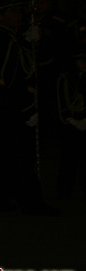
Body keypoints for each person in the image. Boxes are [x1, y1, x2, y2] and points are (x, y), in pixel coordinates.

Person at [0, 0, 57, 215]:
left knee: (13, 157)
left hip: (13, 109)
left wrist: (33, 42)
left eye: (18, 12)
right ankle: (22, 201)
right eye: (12, 13)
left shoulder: (14, 39)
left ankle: (10, 198)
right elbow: (3, 81)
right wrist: (25, 108)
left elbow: (34, 66)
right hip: (8, 110)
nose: (18, 17)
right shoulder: (1, 40)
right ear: (0, 16)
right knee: (14, 157)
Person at [55, 45, 86, 199]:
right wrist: (72, 120)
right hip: (70, 124)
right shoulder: (66, 79)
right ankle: (64, 190)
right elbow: (62, 102)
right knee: (68, 159)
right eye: (81, 61)